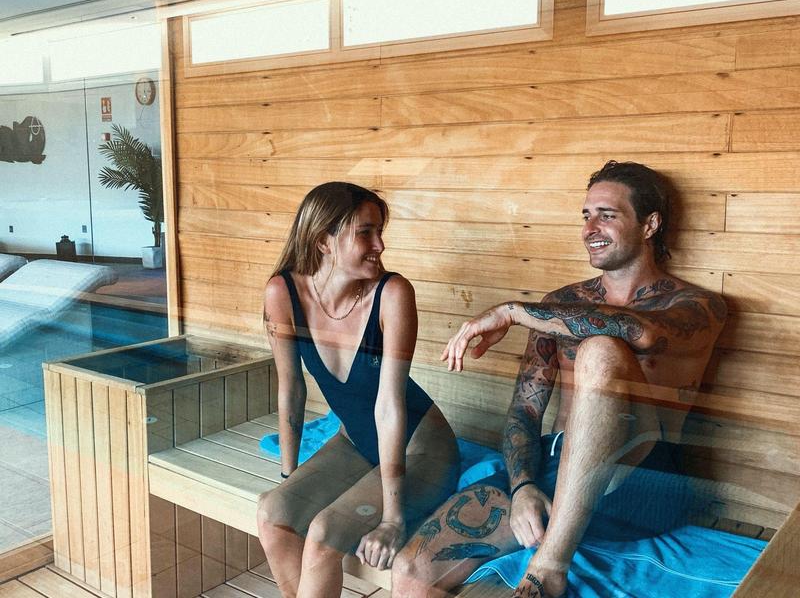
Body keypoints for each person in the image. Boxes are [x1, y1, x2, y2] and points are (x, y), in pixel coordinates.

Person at [391, 161, 728, 598]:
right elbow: (524, 412)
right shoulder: (560, 307)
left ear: (650, 224)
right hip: (554, 465)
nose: (591, 227)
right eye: (586, 215)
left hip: (645, 479)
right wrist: (524, 485)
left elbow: (639, 332)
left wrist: (512, 311)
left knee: (601, 350)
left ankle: (549, 566)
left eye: (607, 214)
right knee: (413, 568)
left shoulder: (697, 306)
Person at [257, 181, 460, 598]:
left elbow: (389, 406)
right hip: (355, 441)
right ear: (324, 241)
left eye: (380, 231)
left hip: (422, 447)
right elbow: (291, 389)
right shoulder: (283, 292)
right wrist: (290, 477)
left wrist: (392, 517)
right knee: (273, 512)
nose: (380, 245)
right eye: (365, 232)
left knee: (324, 532)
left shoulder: (392, 294)